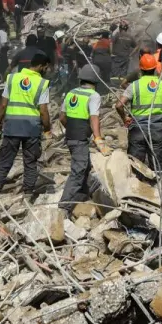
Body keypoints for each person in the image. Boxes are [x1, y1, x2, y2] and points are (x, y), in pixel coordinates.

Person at [0, 52, 51, 201]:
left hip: (11, 128)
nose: (47, 70)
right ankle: (27, 196)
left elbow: (3, 105)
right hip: (32, 129)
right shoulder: (42, 83)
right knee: (30, 163)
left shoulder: (13, 78)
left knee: (4, 161)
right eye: (46, 68)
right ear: (41, 66)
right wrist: (47, 129)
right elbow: (43, 111)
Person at [59, 65, 104, 214]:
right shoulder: (93, 95)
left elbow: (62, 117)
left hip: (71, 137)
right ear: (96, 81)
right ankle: (63, 207)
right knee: (78, 171)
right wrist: (98, 138)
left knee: (85, 167)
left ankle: (84, 195)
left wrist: (72, 128)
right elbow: (94, 118)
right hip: (79, 139)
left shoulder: (71, 93)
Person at [117, 53, 162, 172]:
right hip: (157, 130)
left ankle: (137, 187)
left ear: (141, 69)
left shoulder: (134, 86)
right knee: (158, 167)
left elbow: (119, 105)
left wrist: (125, 118)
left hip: (138, 130)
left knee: (136, 166)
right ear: (155, 68)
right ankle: (158, 187)